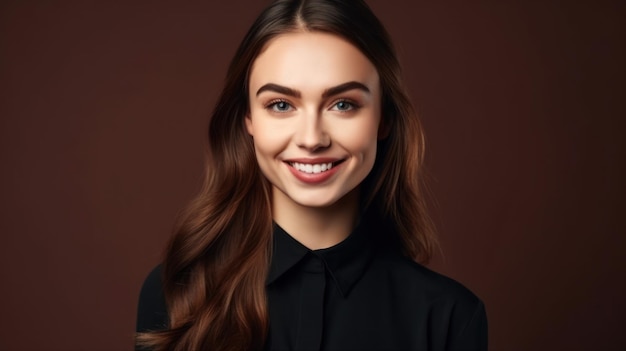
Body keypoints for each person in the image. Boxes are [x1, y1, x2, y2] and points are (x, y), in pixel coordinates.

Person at [135, 0, 488, 350]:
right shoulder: (177, 295)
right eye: (281, 105)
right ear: (248, 119)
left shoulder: (449, 318)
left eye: (343, 104)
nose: (311, 139)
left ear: (384, 118)